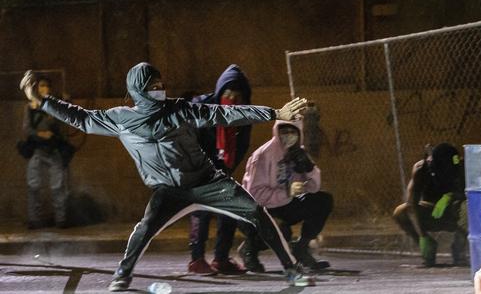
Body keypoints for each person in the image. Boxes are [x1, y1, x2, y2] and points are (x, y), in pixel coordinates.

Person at [19, 63, 314, 291]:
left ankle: (291, 267)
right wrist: (44, 101)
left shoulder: (179, 109)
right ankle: (123, 274)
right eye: (152, 85)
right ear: (138, 89)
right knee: (146, 227)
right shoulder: (120, 119)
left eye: (161, 83)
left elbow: (222, 114)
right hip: (168, 190)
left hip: (207, 181)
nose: (159, 88)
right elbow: (80, 118)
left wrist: (274, 112)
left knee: (255, 212)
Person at [239, 119, 333, 272]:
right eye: (284, 131)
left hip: (283, 203)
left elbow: (314, 188)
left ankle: (301, 248)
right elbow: (254, 195)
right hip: (256, 211)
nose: (288, 136)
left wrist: (309, 169)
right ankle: (249, 248)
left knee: (322, 201)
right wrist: (288, 192)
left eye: (292, 132)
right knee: (282, 232)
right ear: (277, 132)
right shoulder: (263, 154)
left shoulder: (298, 152)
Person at [187, 64, 252, 275]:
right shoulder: (202, 109)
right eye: (227, 92)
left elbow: (241, 146)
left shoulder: (244, 116)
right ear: (219, 92)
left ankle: (221, 259)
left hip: (222, 169)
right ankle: (197, 259)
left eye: (236, 94)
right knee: (201, 209)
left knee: (231, 207)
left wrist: (225, 169)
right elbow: (189, 141)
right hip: (197, 169)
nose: (231, 97)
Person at [392, 142, 468, 267]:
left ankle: (459, 250)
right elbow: (411, 205)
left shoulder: (462, 166)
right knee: (401, 212)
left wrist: (452, 196)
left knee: (467, 207)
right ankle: (429, 248)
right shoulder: (421, 169)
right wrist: (422, 236)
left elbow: (476, 197)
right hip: (432, 211)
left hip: (455, 212)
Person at [21, 76, 70, 229]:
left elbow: (61, 126)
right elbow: (27, 128)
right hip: (37, 150)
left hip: (53, 150)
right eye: (42, 86)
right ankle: (34, 220)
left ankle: (61, 220)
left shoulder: (54, 105)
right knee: (33, 186)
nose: (45, 89)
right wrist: (39, 134)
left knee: (57, 186)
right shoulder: (30, 107)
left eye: (47, 86)